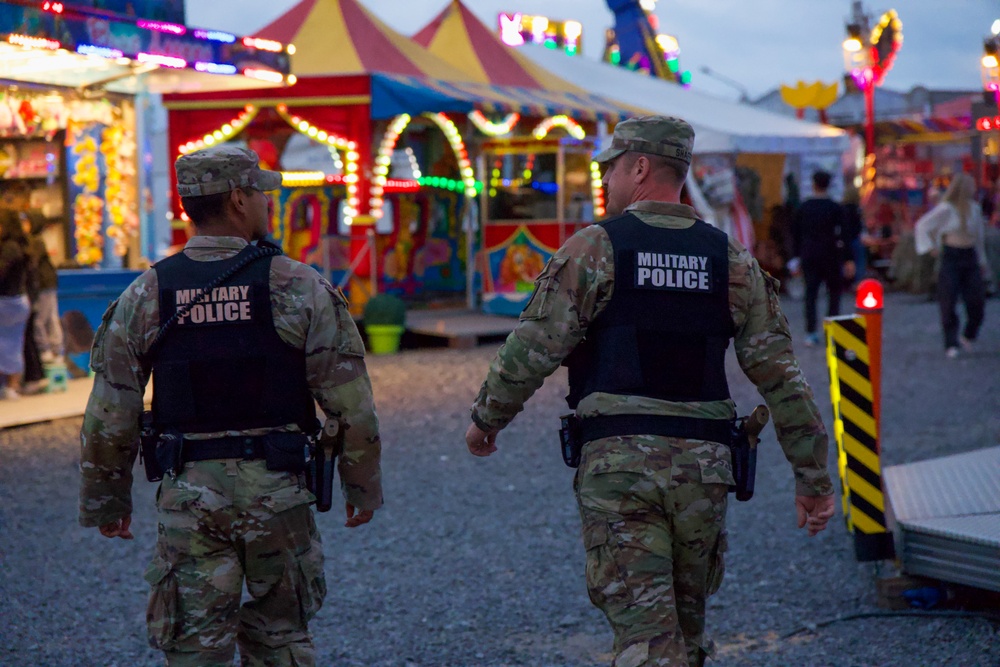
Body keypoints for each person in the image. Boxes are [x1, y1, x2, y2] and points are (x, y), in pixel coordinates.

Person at [465, 116, 836, 667]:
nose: (606, 180)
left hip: (620, 468)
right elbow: (781, 374)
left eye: (611, 168)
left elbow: (534, 346)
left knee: (645, 639)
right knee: (685, 632)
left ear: (639, 167)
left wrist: (486, 419)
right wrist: (812, 475)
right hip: (704, 472)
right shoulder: (730, 259)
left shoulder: (595, 248)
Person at [79, 145, 383, 667]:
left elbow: (111, 412)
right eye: (262, 191)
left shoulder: (147, 292)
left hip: (189, 495)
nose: (269, 200)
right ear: (239, 200)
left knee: (195, 646)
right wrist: (363, 488)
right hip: (279, 490)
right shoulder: (298, 285)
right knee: (282, 637)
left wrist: (107, 500)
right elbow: (351, 403)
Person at [914, 172, 990, 359]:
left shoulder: (974, 209)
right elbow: (923, 225)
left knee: (976, 300)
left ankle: (968, 334)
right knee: (948, 300)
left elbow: (978, 237)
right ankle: (951, 341)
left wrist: (982, 261)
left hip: (969, 255)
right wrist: (930, 248)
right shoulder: (946, 209)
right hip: (952, 255)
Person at [791, 170, 855, 346]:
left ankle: (811, 332)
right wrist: (849, 259)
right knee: (834, 294)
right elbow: (845, 235)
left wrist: (795, 257)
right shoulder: (835, 208)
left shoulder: (804, 207)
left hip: (809, 254)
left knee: (810, 294)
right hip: (831, 255)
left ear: (813, 184)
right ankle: (832, 330)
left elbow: (795, 234)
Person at [23, 211, 64, 363]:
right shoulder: (37, 240)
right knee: (51, 317)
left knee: (40, 319)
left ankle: (47, 350)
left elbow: (32, 262)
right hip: (48, 283)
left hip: (43, 284)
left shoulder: (33, 241)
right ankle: (56, 351)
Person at [0, 209, 31, 399]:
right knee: (12, 344)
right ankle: (11, 385)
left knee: (10, 344)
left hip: (9, 301)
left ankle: (11, 385)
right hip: (15, 300)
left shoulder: (9, 247)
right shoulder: (18, 245)